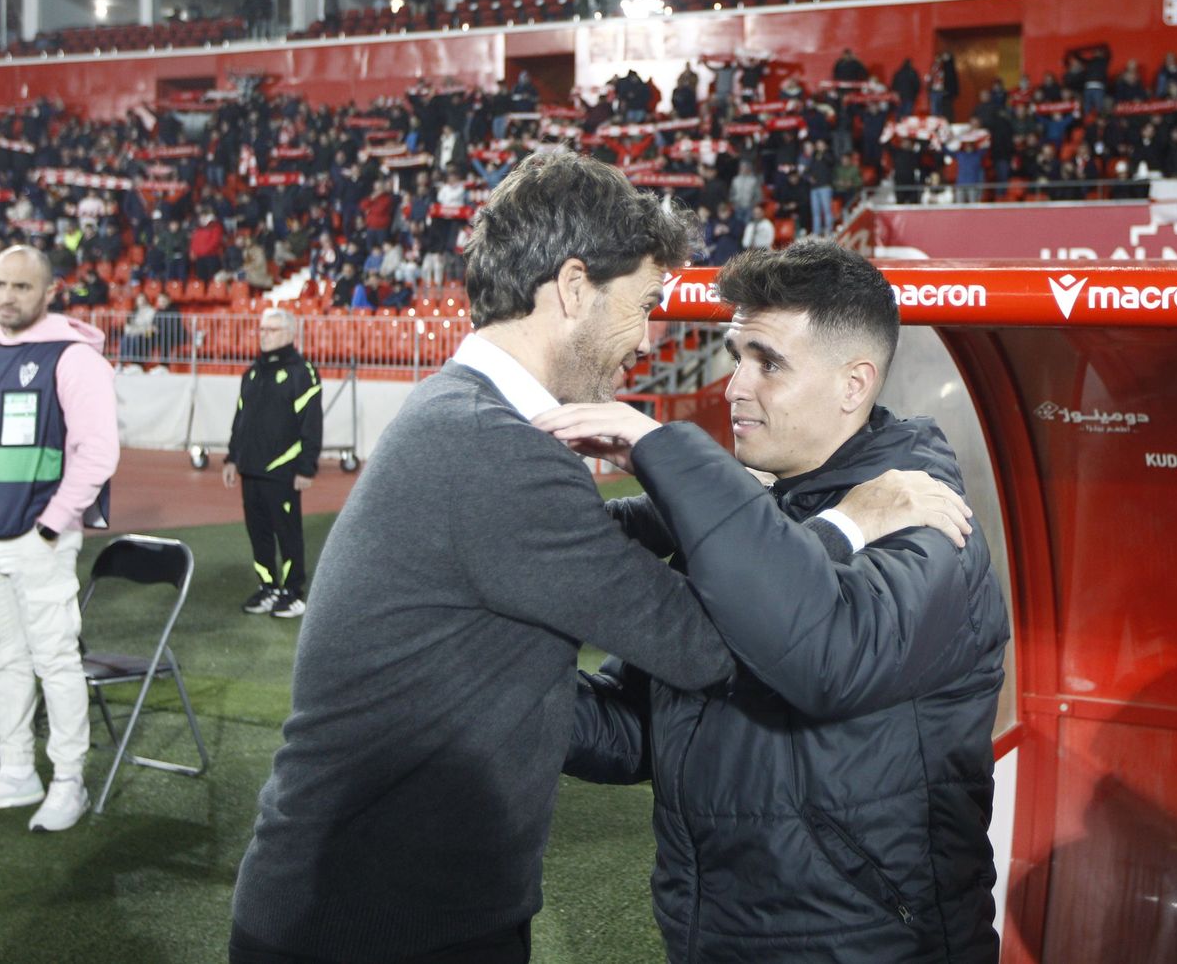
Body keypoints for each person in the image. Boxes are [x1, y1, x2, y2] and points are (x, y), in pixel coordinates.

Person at [230, 152, 960, 964]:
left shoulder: (459, 416)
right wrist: (843, 525)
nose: (646, 341)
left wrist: (711, 497)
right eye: (643, 303)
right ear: (575, 288)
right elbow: (713, 643)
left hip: (371, 911)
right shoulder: (496, 450)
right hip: (379, 928)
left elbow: (590, 550)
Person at [538, 238, 1009, 964]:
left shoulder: (926, 522)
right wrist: (505, 693)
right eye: (737, 356)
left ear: (855, 385)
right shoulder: (764, 518)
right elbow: (644, 725)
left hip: (870, 947)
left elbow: (826, 654)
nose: (734, 387)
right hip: (718, 937)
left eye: (769, 362)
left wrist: (670, 456)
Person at [0, 245, 117, 832]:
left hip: (32, 536)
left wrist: (51, 522)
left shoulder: (74, 359)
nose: (8, 296)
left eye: (22, 286)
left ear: (49, 292)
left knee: (54, 660)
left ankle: (69, 780)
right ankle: (16, 770)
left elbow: (98, 453)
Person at [222, 308, 321, 621]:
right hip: (250, 469)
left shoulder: (302, 371)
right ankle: (268, 586)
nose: (264, 334)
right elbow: (241, 421)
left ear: (290, 334)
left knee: (287, 534)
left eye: (272, 330)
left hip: (284, 470)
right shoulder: (251, 373)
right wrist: (231, 457)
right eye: (262, 329)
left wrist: (307, 467)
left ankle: (292, 592)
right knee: (258, 534)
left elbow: (311, 423)